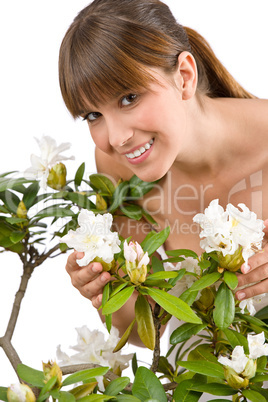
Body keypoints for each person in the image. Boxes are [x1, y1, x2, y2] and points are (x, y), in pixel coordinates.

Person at [59, 0, 268, 349]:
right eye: (93, 115)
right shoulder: (118, 165)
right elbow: (146, 332)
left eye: (128, 97)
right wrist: (106, 288)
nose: (115, 138)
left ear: (184, 76)